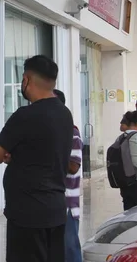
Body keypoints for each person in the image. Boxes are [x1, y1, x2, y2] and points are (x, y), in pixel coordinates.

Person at [0, 55, 73, 262]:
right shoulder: (64, 114)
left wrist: (5, 153)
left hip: (28, 214)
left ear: (26, 80)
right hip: (56, 210)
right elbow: (45, 151)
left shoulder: (25, 115)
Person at [53, 90, 82, 262]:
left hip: (67, 204)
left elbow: (73, 166)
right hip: (46, 203)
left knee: (69, 247)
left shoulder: (72, 132)